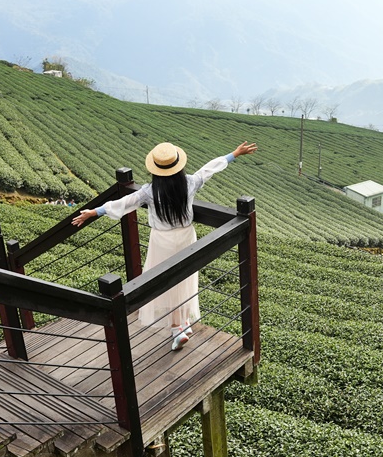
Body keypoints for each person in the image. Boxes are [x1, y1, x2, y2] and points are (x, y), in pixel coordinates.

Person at [72, 140, 258, 350]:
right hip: (186, 237)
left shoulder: (149, 191)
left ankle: (177, 328)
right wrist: (234, 153)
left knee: (167, 282)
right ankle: (184, 323)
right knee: (185, 279)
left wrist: (94, 212)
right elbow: (209, 169)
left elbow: (123, 204)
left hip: (162, 241)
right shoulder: (189, 183)